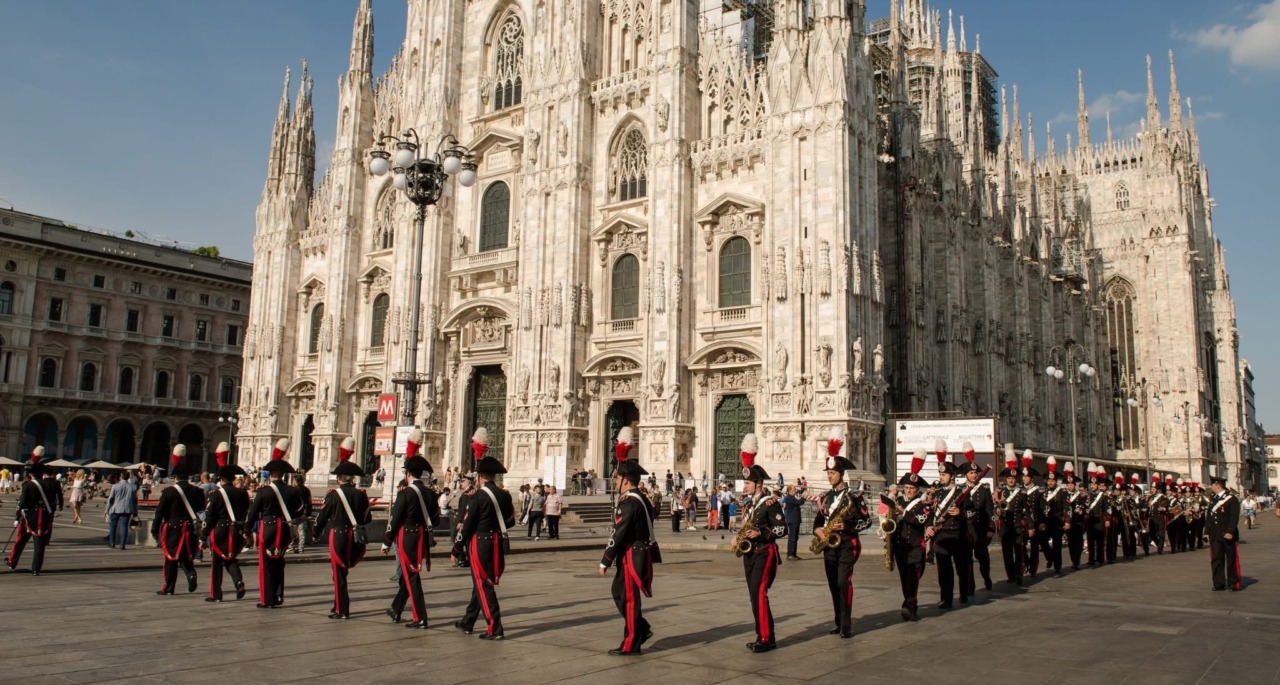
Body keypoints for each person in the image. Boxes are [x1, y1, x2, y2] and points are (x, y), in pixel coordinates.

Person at [453, 428, 515, 640]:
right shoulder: (504, 496)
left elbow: (467, 526)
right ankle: (468, 621)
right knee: (480, 583)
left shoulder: (477, 497)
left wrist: (456, 548)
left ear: (479, 477)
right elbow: (511, 521)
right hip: (497, 542)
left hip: (480, 544)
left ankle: (494, 628)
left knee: (484, 585)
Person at [812, 432, 867, 639]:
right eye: (828, 472)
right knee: (834, 585)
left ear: (841, 473)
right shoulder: (825, 497)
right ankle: (838, 620)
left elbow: (866, 520)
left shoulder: (853, 496)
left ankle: (846, 624)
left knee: (844, 582)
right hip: (829, 545)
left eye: (833, 473)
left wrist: (847, 525)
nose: (829, 476)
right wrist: (818, 530)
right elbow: (818, 521)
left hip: (846, 544)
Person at [599, 460, 657, 656]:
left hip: (631, 555)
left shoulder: (629, 502)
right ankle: (641, 628)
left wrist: (605, 560)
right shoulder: (640, 498)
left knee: (629, 599)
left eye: (616, 478)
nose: (614, 481)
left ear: (624, 480)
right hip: (637, 551)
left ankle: (631, 643)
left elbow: (618, 533)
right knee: (620, 592)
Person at [315, 437, 373, 619]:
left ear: (339, 478)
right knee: (342, 572)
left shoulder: (333, 496)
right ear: (352, 478)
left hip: (339, 536)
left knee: (338, 573)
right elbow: (367, 518)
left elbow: (322, 517)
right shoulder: (361, 495)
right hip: (355, 537)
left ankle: (342, 609)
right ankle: (337, 605)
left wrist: (316, 533)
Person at [386, 435, 439, 630]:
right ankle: (396, 608)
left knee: (412, 577)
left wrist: (386, 541)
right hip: (422, 538)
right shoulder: (431, 494)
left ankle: (421, 617)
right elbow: (436, 520)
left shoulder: (405, 493)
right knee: (409, 575)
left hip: (406, 537)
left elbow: (395, 519)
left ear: (408, 473)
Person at [737, 447, 786, 653]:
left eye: (747, 483)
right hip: (750, 553)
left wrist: (761, 533)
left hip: (765, 552)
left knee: (759, 593)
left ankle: (766, 638)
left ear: (758, 484)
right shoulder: (749, 504)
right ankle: (763, 634)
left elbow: (781, 528)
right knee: (753, 595)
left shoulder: (770, 503)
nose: (745, 486)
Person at [244, 439, 303, 609]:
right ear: (283, 475)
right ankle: (278, 595)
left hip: (268, 528)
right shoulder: (292, 491)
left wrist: (247, 529)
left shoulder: (264, 491)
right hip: (284, 529)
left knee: (266, 564)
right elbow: (300, 511)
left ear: (270, 475)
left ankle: (267, 599)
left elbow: (253, 513)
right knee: (279, 561)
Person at [151, 445, 206, 595]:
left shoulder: (169, 492)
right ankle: (191, 573)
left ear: (175, 477)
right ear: (188, 477)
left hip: (172, 526)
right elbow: (201, 508)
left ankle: (169, 588)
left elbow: (160, 512)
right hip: (189, 526)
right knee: (185, 554)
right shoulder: (197, 491)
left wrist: (155, 529)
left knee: (171, 557)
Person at [5, 448, 61, 575]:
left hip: (29, 518)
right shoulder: (49, 485)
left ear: (31, 474)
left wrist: (16, 517)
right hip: (45, 517)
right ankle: (36, 569)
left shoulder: (28, 485)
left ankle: (12, 562)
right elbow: (53, 501)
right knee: (39, 545)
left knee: (20, 540)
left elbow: (22, 503)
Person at [888, 456, 930, 621]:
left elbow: (921, 520)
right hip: (900, 546)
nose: (909, 490)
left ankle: (908, 605)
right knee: (905, 577)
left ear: (917, 489)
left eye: (912, 488)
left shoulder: (923, 504)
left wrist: (903, 513)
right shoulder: (897, 501)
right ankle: (911, 602)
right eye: (906, 487)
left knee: (913, 577)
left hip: (914, 545)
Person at [203, 459, 249, 603]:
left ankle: (216, 594)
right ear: (233, 479)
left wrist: (202, 536)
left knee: (217, 562)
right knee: (231, 557)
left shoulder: (215, 494)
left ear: (221, 479)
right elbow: (246, 510)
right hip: (236, 530)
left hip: (220, 530)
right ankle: (238, 581)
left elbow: (209, 516)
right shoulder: (243, 494)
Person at [927, 454, 969, 609]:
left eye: (944, 474)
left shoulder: (961, 493)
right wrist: (929, 526)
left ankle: (964, 593)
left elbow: (971, 513)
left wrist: (960, 513)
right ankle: (946, 597)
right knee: (944, 571)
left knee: (961, 568)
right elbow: (932, 513)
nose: (941, 477)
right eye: (940, 474)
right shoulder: (937, 493)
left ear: (951, 477)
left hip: (957, 535)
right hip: (941, 535)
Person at [961, 455, 995, 592]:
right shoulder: (961, 490)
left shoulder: (984, 489)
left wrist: (991, 528)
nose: (974, 475)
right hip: (967, 530)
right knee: (967, 559)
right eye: (971, 473)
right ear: (965, 475)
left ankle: (986, 577)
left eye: (975, 472)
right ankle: (970, 586)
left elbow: (990, 510)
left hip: (981, 529)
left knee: (983, 558)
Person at [995, 445, 1028, 584]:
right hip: (1005, 525)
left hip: (1017, 525)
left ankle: (1019, 574)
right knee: (1007, 552)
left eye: (1013, 479)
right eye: (1009, 478)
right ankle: (1010, 575)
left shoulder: (1021, 492)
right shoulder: (1001, 492)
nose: (1011, 480)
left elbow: (1027, 509)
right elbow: (998, 509)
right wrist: (998, 507)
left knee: (1018, 551)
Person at [1206, 475, 1241, 592]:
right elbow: (1209, 516)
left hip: (1227, 534)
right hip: (1215, 534)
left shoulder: (1232, 499)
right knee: (1216, 559)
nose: (1211, 486)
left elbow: (1234, 517)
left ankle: (1233, 583)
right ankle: (1218, 583)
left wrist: (1230, 531)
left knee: (1231, 559)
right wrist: (1207, 532)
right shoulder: (1213, 499)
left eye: (1212, 484)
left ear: (1217, 485)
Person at [1039, 458, 1068, 577]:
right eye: (1049, 480)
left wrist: (1067, 520)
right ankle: (1050, 557)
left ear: (1056, 481)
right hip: (1046, 521)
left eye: (1052, 480)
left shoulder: (1061, 492)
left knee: (1057, 545)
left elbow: (1067, 507)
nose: (1050, 482)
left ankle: (1057, 566)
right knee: (1043, 542)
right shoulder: (1043, 491)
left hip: (1057, 521)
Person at [106, 470, 139, 550]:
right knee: (124, 526)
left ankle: (112, 543)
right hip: (128, 509)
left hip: (116, 508)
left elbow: (111, 499)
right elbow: (135, 500)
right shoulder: (133, 487)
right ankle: (122, 544)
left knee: (113, 526)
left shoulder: (115, 486)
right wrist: (135, 512)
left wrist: (107, 509)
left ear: (121, 477)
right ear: (128, 477)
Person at [453, 475, 476, 568]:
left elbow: (463, 509)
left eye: (463, 481)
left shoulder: (467, 494)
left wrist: (460, 521)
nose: (461, 483)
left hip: (464, 520)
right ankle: (468, 559)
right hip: (468, 520)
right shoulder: (472, 492)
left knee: (458, 537)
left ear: (469, 483)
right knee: (466, 540)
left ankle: (461, 558)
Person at [290, 471, 313, 553]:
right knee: (302, 531)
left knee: (291, 530)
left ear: (295, 481)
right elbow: (310, 502)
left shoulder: (292, 490)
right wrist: (308, 513)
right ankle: (301, 547)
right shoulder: (307, 490)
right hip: (303, 513)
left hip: (293, 513)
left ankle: (291, 546)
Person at [782, 485, 804, 560]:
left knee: (795, 537)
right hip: (792, 520)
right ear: (790, 491)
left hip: (795, 519)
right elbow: (799, 502)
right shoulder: (789, 497)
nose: (796, 490)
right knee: (792, 537)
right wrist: (804, 497)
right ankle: (790, 554)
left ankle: (793, 554)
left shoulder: (791, 497)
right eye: (794, 489)